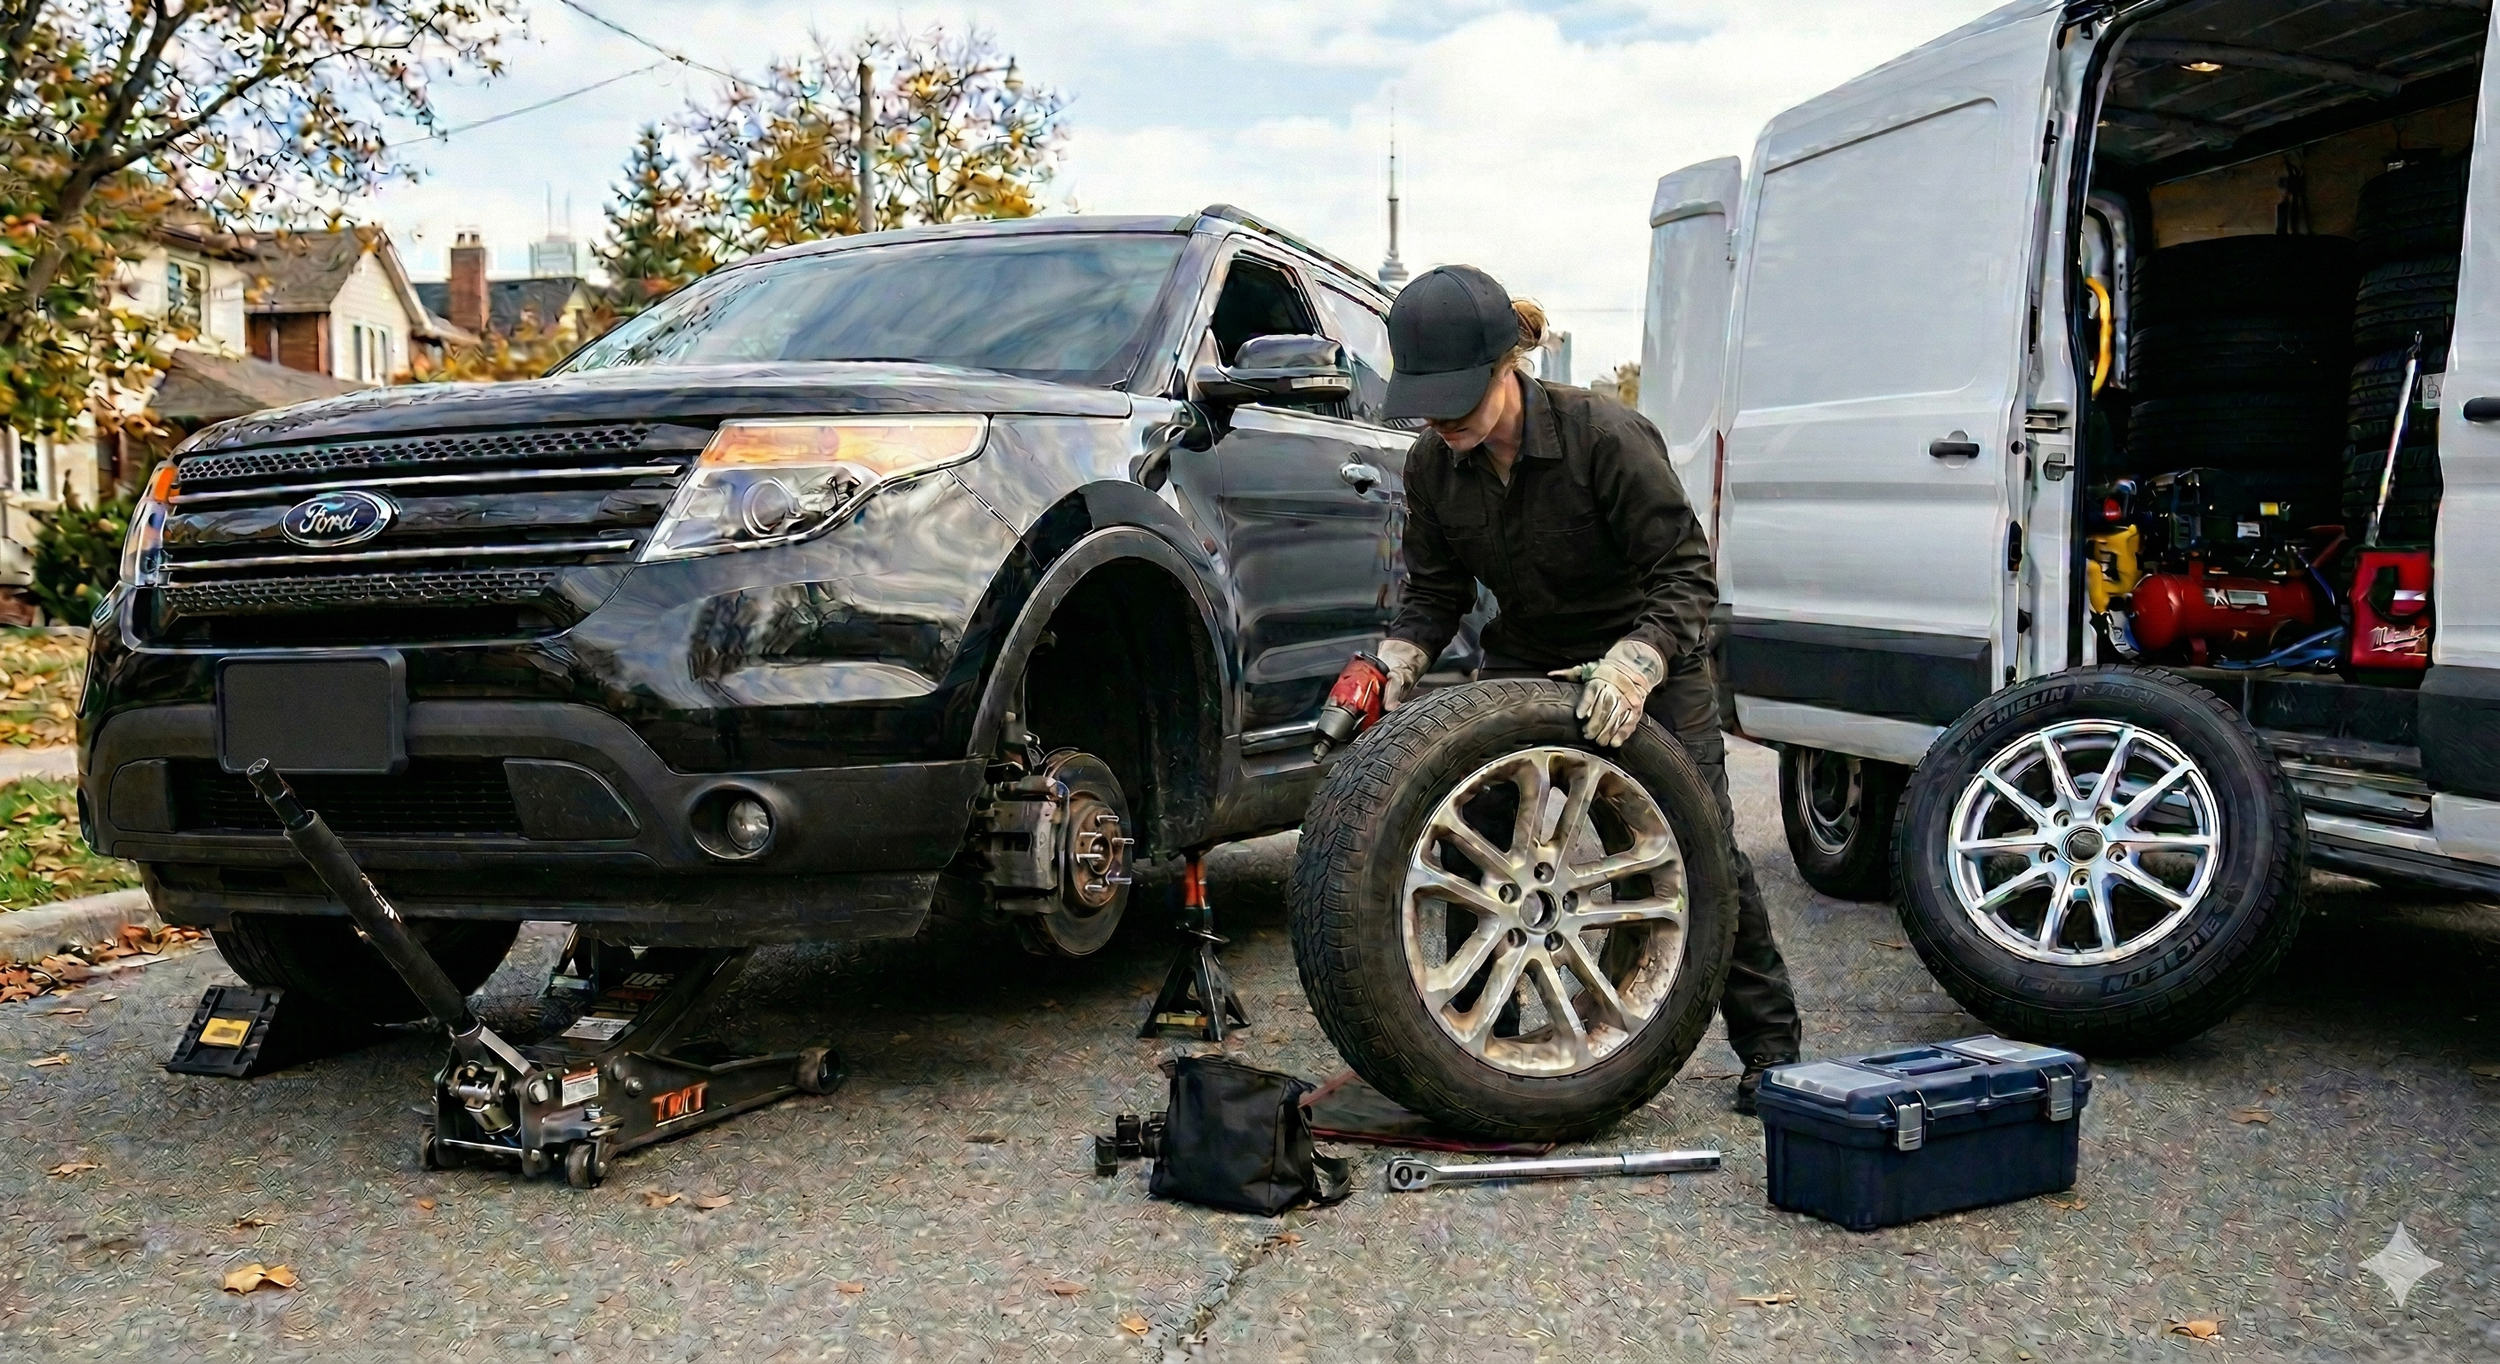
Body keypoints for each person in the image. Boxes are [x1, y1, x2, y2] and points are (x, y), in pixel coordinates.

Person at [1343, 263, 1801, 1114]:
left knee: (1694, 851)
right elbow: (1437, 592)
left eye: (1458, 401)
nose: (1442, 422)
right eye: (1428, 405)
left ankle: (1771, 1046)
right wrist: (1396, 658)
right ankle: (1483, 1033)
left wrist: (1639, 658)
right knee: (1472, 826)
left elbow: (1687, 574)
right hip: (1528, 652)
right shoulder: (1434, 467)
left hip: (1645, 651)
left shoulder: (1606, 437)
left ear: (1506, 366)